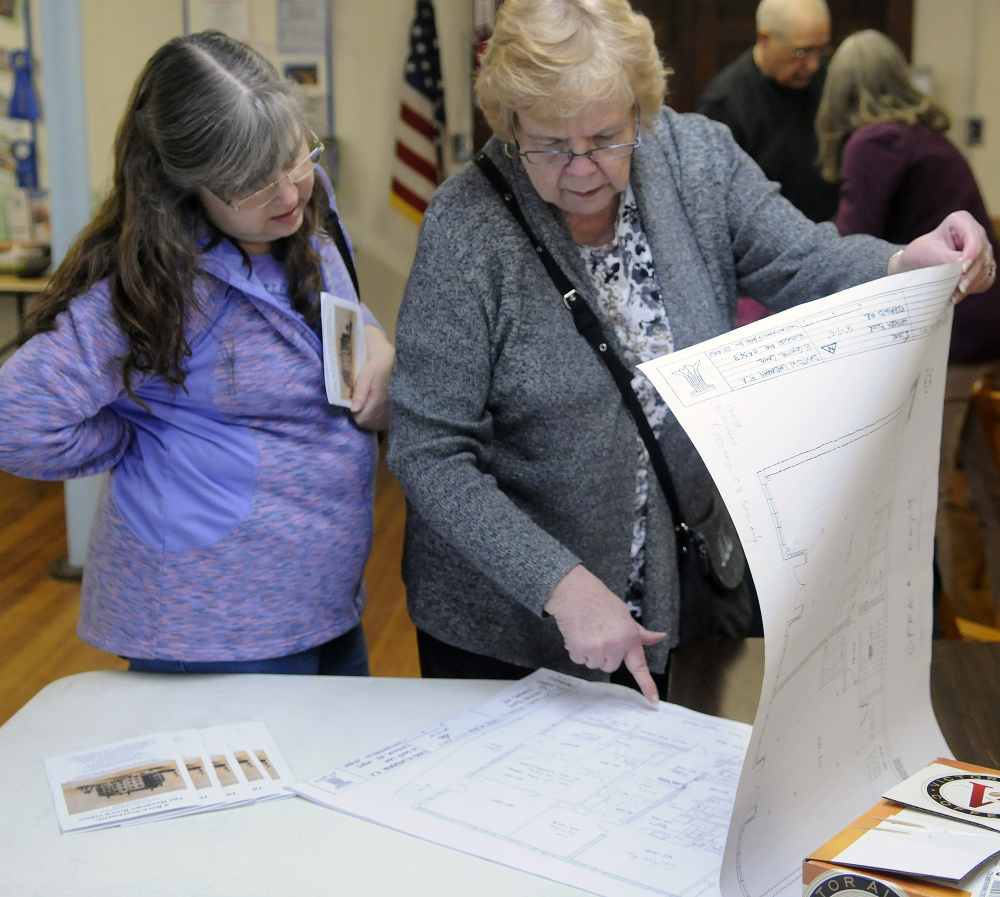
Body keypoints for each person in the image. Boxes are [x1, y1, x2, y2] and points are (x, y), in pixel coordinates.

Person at [386, 0, 995, 704]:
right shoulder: (468, 226)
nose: (581, 168)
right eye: (550, 144)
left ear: (642, 108)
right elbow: (430, 450)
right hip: (509, 626)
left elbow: (801, 260)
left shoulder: (695, 158)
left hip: (673, 593)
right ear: (510, 122)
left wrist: (901, 263)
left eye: (607, 137)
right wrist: (557, 581)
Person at [0, 31, 394, 675]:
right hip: (211, 624)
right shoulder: (154, 285)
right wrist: (136, 437)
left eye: (296, 158)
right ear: (186, 186)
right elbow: (14, 420)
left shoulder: (306, 205)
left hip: (321, 599)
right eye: (255, 187)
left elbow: (340, 309)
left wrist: (374, 343)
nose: (291, 194)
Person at [816, 29, 1000, 619]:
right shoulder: (926, 138)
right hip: (988, 325)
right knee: (985, 492)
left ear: (840, 90)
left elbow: (849, 240)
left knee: (930, 493)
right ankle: (983, 620)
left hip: (952, 333)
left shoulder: (874, 142)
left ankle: (944, 633)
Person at [697, 0, 838, 225]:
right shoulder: (725, 103)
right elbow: (714, 200)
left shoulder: (827, 80)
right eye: (802, 51)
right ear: (765, 38)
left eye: (821, 50)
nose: (813, 65)